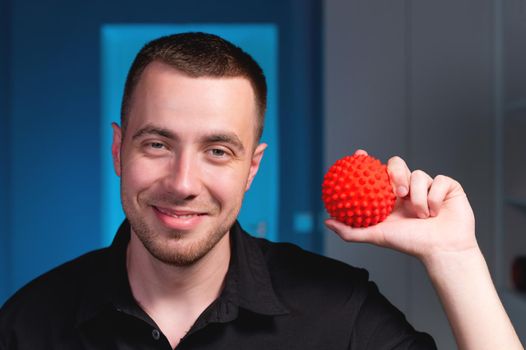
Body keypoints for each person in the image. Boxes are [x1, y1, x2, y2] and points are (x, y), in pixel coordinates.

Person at [0, 32, 522, 350]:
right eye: (157, 144)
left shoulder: (340, 312)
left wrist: (456, 257)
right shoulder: (27, 323)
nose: (183, 183)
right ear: (118, 151)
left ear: (252, 168)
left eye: (218, 151)